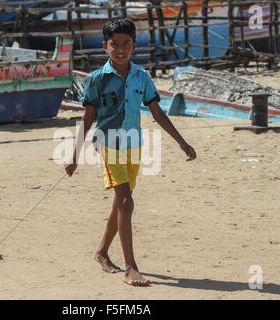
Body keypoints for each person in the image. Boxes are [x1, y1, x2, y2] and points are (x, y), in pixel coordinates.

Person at [64, 17, 196, 286]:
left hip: (134, 145)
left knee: (121, 204)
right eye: (115, 44)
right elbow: (87, 118)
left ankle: (101, 252)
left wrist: (181, 141)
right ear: (105, 46)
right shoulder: (96, 80)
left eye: (126, 44)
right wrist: (75, 154)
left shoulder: (141, 76)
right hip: (108, 143)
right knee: (126, 202)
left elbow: (157, 112)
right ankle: (130, 267)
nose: (120, 49)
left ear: (134, 46)